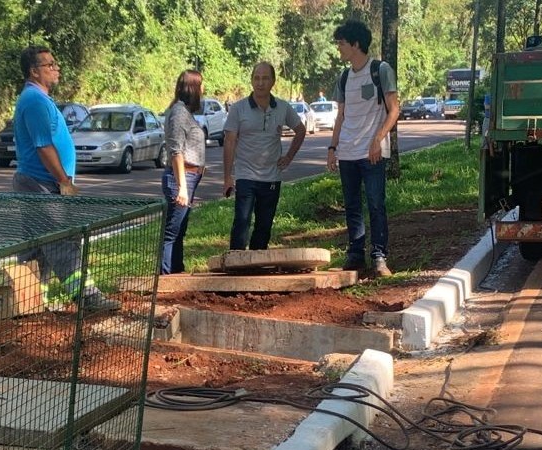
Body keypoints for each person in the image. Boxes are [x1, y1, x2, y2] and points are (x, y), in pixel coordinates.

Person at [9, 46, 120, 312]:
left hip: (37, 183)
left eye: (55, 64)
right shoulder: (35, 101)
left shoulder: (37, 98)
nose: (56, 69)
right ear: (34, 71)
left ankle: (29, 301)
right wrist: (64, 180)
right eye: (49, 65)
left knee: (36, 247)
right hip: (42, 183)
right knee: (62, 241)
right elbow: (44, 146)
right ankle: (88, 298)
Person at [326, 20, 399, 278]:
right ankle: (355, 254)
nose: (339, 48)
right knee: (352, 205)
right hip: (347, 152)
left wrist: (377, 139)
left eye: (341, 43)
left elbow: (394, 110)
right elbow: (340, 116)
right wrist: (333, 147)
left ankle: (379, 257)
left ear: (356, 44)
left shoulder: (380, 70)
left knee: (376, 204)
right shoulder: (344, 77)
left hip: (372, 153)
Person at [222, 62, 306, 251]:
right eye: (256, 78)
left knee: (264, 225)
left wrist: (289, 157)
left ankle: (257, 264)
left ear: (273, 81)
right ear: (251, 81)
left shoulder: (282, 107)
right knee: (242, 221)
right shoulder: (238, 109)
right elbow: (229, 142)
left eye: (265, 78)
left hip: (271, 177)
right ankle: (236, 261)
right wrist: (227, 177)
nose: (260, 83)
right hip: (245, 175)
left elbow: (300, 131)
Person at [160, 69, 207, 275]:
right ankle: (166, 276)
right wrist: (182, 188)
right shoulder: (179, 113)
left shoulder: (184, 112)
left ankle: (177, 272)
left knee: (180, 231)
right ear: (193, 88)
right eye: (201, 85)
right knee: (172, 231)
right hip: (181, 178)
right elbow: (176, 151)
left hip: (189, 177)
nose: (203, 89)